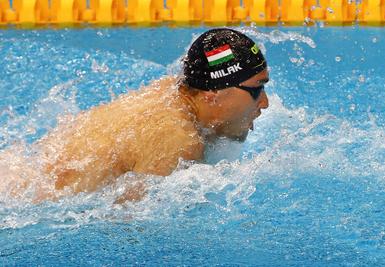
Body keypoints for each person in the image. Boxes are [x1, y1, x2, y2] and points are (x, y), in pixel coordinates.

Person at [0, 28, 269, 202]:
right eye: (257, 89)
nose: (265, 103)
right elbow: (126, 228)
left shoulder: (171, 92)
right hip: (23, 203)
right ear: (213, 94)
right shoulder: (177, 142)